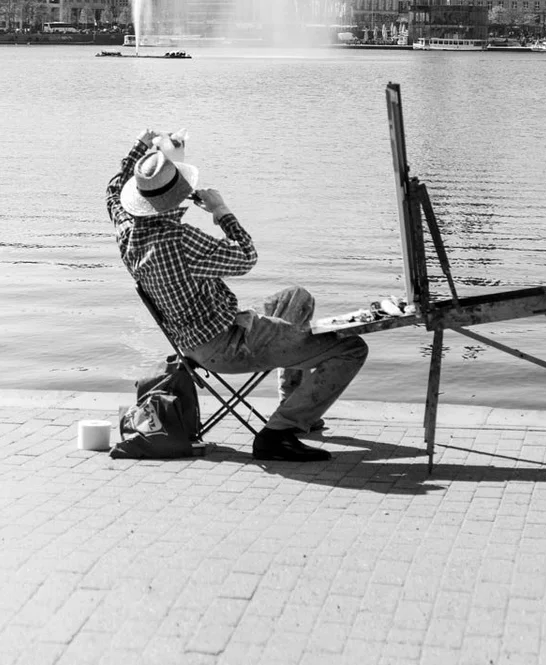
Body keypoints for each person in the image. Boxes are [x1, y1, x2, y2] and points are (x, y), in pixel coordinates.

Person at [106, 129, 368, 462]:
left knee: (297, 298)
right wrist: (221, 211)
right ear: (180, 196)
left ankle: (296, 408)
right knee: (351, 348)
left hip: (192, 342)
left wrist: (141, 149)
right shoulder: (181, 240)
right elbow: (246, 256)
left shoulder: (127, 229)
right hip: (229, 346)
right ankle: (279, 433)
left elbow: (113, 191)